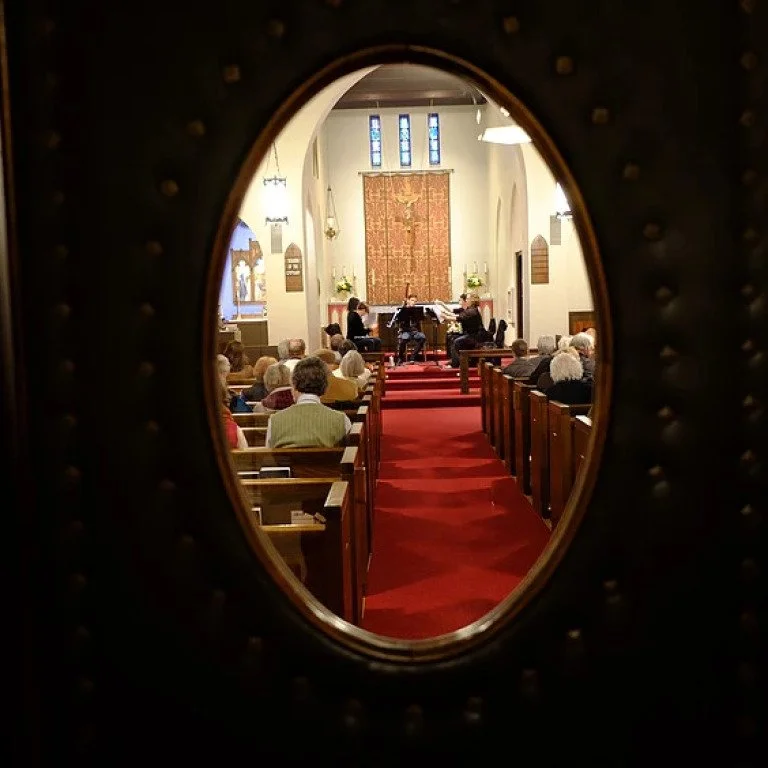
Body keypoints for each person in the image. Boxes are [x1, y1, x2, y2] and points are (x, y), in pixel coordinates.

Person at [266, 357, 352, 448]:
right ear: (325, 387)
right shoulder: (342, 420)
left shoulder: (275, 420)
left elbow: (269, 454)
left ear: (294, 385)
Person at [445, 292, 484, 368]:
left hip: (474, 336)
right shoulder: (471, 309)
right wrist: (446, 316)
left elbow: (458, 318)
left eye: (467, 299)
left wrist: (445, 317)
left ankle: (457, 364)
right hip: (470, 334)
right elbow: (460, 315)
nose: (466, 300)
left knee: (456, 342)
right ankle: (455, 360)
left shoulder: (472, 311)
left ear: (472, 300)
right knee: (452, 338)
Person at [395, 294, 426, 365]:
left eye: (415, 301)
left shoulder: (417, 310)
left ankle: (413, 357)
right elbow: (399, 320)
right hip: (406, 331)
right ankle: (400, 358)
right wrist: (404, 308)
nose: (413, 302)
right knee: (403, 340)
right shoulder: (403, 310)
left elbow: (422, 318)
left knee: (423, 338)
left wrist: (420, 316)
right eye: (412, 300)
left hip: (415, 331)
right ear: (408, 300)